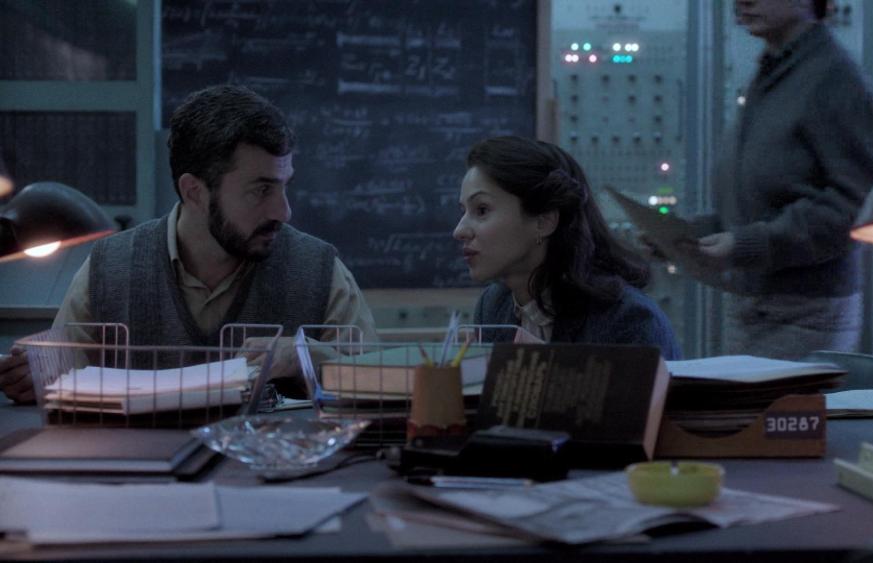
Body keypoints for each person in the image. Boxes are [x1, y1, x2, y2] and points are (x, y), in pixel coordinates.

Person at [0, 84, 376, 403]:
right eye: (261, 190)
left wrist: (305, 357)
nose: (284, 211)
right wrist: (33, 377)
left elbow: (380, 386)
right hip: (138, 467)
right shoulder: (110, 269)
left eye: (284, 186)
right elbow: (59, 376)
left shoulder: (318, 270)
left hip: (273, 465)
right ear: (194, 191)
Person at [676, 0, 873, 359]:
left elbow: (858, 205)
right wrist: (691, 234)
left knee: (768, 400)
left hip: (802, 310)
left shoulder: (835, 78)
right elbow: (770, 192)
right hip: (758, 300)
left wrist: (749, 243)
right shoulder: (779, 70)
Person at [452, 135, 681, 360]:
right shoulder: (493, 305)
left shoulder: (628, 320)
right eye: (464, 211)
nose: (459, 231)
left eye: (482, 210)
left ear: (544, 221)